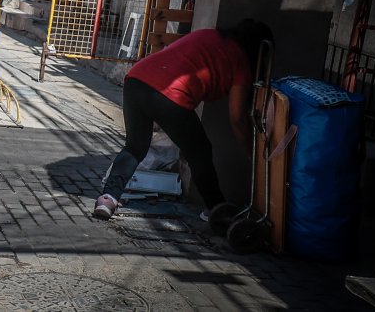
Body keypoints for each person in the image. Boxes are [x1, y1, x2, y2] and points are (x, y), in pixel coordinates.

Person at [93, 20, 275, 221]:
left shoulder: (209, 34)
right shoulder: (241, 63)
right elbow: (238, 118)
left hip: (136, 80)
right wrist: (253, 154)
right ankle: (215, 208)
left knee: (135, 147)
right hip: (170, 94)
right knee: (200, 151)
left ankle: (108, 198)